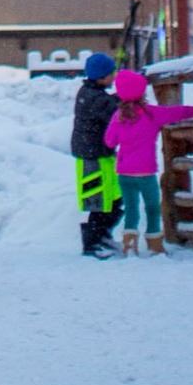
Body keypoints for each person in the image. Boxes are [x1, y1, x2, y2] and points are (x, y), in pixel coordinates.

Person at [104, 69, 193, 257]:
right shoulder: (151, 114)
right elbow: (177, 113)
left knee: (131, 209)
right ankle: (155, 244)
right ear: (142, 92)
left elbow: (109, 141)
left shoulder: (118, 117)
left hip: (124, 173)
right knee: (152, 208)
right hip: (146, 173)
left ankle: (130, 245)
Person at [72, 52, 123, 259]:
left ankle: (102, 235)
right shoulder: (92, 97)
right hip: (91, 156)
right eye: (112, 74)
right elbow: (113, 109)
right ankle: (92, 243)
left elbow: (111, 103)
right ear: (101, 76)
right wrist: (129, 94)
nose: (114, 77)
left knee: (114, 198)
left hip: (101, 154)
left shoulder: (93, 94)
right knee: (100, 201)